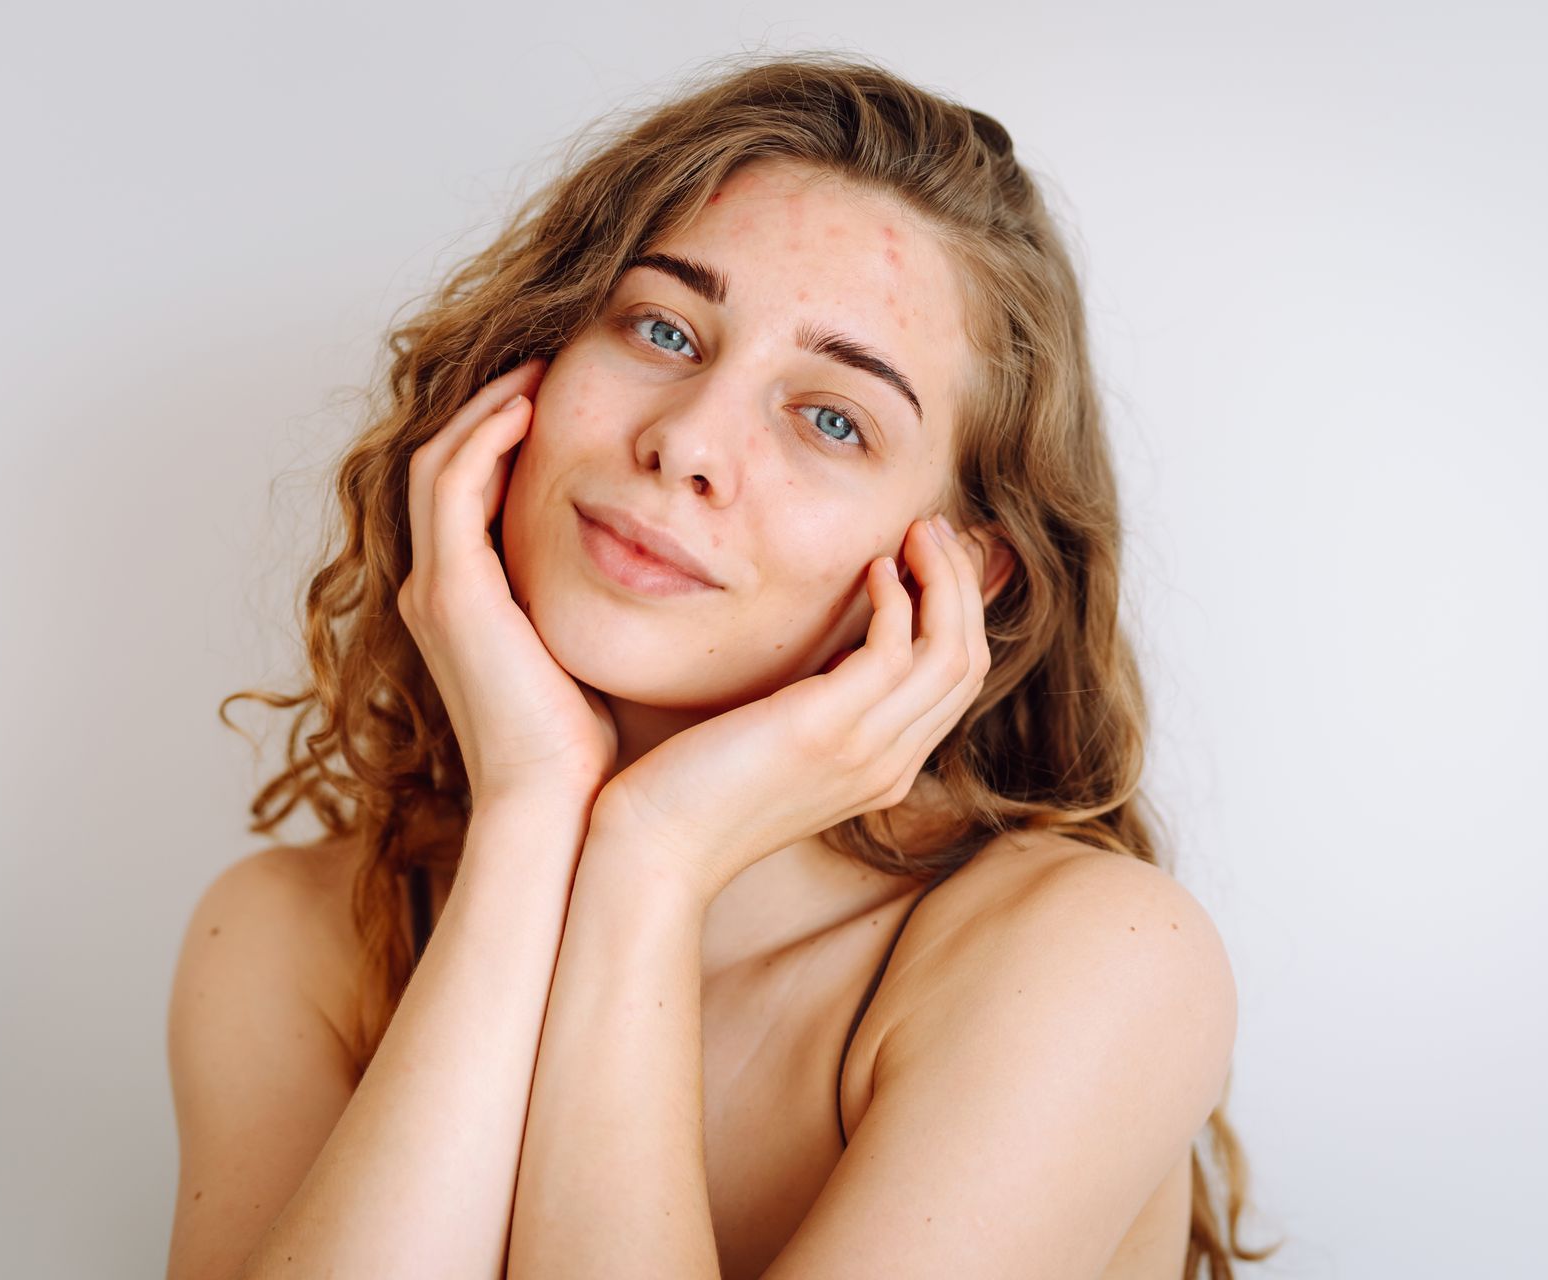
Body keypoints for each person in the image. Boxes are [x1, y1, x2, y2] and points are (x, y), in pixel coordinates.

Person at [168, 50, 1281, 1280]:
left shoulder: (1082, 962)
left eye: (833, 418)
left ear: (963, 573)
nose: (688, 439)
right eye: (662, 327)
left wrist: (653, 858)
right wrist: (537, 813)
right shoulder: (286, 937)